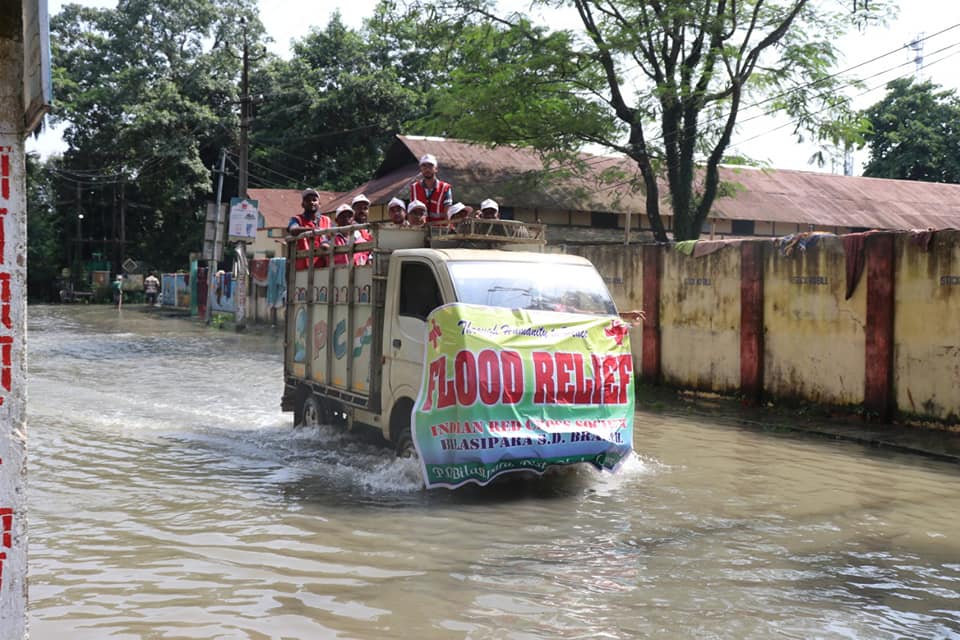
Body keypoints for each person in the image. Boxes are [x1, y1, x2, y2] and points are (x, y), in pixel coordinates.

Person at [288, 188, 332, 269]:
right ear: (303, 204)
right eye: (307, 200)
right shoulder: (297, 219)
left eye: (314, 200)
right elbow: (293, 230)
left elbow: (333, 236)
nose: (311, 202)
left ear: (319, 204)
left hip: (325, 266)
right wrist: (311, 230)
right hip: (303, 267)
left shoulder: (327, 220)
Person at [409, 154, 453, 223]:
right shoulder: (414, 187)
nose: (427, 169)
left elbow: (447, 211)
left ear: (436, 169)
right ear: (421, 169)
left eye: (430, 166)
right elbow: (411, 211)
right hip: (420, 229)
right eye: (424, 166)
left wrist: (448, 227)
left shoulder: (445, 188)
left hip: (440, 229)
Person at [351, 194, 374, 266]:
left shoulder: (370, 229)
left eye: (365, 208)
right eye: (359, 208)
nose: (362, 211)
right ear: (353, 210)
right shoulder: (350, 228)